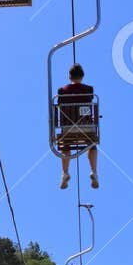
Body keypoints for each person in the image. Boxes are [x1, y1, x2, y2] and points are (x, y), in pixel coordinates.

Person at [56, 62, 99, 190]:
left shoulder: (62, 91)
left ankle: (65, 172)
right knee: (92, 144)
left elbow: (59, 105)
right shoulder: (89, 89)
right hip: (85, 127)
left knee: (65, 144)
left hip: (67, 127)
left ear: (69, 76)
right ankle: (93, 171)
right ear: (82, 76)